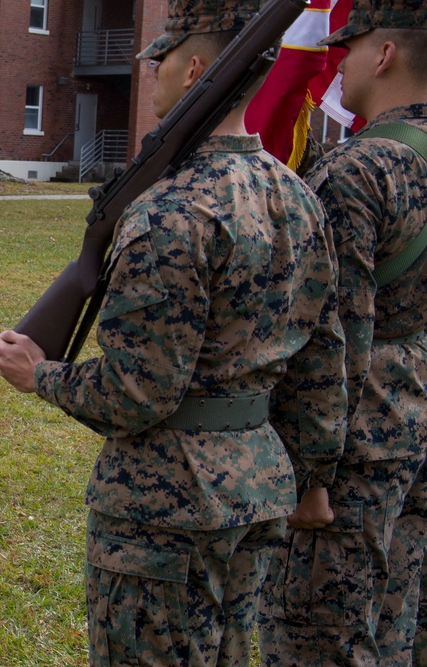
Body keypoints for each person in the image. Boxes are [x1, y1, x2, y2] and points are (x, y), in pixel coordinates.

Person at [0, 0, 349, 663]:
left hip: (165, 510)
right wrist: (312, 474)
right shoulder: (297, 197)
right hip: (259, 492)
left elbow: (137, 393)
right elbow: (322, 361)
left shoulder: (169, 211)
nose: (150, 72)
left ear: (191, 70)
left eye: (158, 58)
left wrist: (39, 373)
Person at [257, 2, 427, 664]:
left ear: (383, 55)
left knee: (319, 642)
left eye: (349, 49)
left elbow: (333, 339)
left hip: (354, 461)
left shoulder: (358, 170)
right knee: (395, 633)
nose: (340, 63)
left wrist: (310, 475)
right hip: (415, 434)